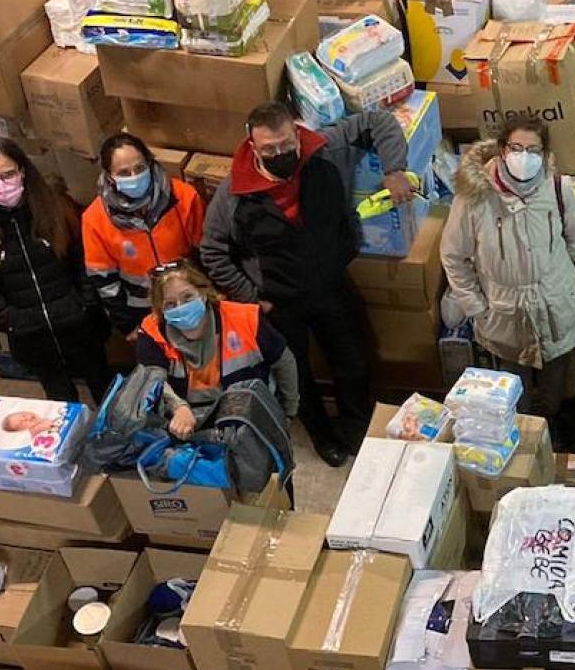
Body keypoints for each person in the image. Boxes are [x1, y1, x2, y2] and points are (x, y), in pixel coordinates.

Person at [201, 102, 409, 466]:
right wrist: (251, 297)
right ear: (252, 146)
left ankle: (356, 430)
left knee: (353, 362)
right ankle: (322, 437)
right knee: (294, 376)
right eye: (269, 150)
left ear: (297, 134)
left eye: (285, 145)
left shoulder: (325, 150)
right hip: (277, 302)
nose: (280, 154)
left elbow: (379, 120)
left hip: (331, 283)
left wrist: (394, 170)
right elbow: (213, 251)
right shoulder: (233, 195)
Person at [440, 120, 575, 420]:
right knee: (512, 389)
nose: (524, 156)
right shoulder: (474, 197)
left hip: (555, 307)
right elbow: (454, 256)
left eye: (533, 149)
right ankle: (523, 436)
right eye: (517, 148)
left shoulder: (559, 189)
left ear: (545, 153)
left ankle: (551, 429)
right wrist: (477, 307)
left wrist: (573, 284)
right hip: (505, 314)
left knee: (554, 386)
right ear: (502, 150)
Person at [0, 139, 115, 403]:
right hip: (31, 334)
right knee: (59, 396)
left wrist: (84, 303)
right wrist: (10, 320)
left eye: (8, 175)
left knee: (103, 385)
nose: (2, 185)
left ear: (23, 172)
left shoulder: (54, 205)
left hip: (77, 323)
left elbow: (81, 256)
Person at [133, 263, 300, 436]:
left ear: (204, 293)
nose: (180, 307)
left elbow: (284, 362)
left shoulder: (244, 318)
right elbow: (150, 379)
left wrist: (288, 412)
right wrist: (178, 407)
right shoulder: (151, 329)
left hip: (246, 417)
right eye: (170, 304)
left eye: (188, 297)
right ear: (160, 309)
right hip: (185, 420)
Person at [82, 132, 206, 334]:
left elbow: (205, 253)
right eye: (124, 173)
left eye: (139, 168)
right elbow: (104, 281)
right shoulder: (95, 218)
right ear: (109, 176)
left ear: (150, 163)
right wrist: (127, 326)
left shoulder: (183, 196)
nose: (134, 177)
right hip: (143, 312)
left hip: (189, 300)